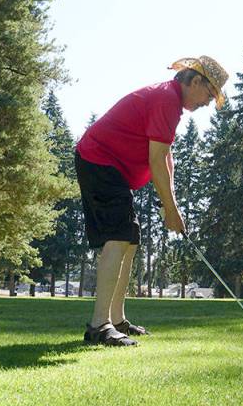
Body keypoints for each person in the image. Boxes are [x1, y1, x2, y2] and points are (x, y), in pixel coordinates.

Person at [74, 56, 228, 346]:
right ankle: (98, 327)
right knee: (118, 237)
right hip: (98, 160)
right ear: (195, 82)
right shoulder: (166, 100)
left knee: (130, 240)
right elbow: (155, 160)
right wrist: (169, 209)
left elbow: (166, 159)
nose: (208, 103)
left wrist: (172, 206)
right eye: (209, 95)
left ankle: (116, 319)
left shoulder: (170, 102)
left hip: (109, 166)